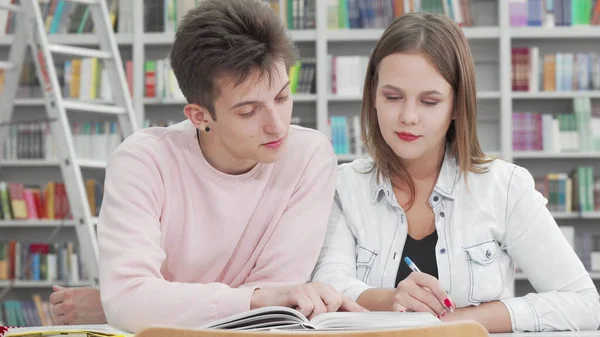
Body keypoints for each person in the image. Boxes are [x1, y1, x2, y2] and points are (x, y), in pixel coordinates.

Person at [49, 0, 365, 332]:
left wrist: (140, 304)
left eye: (282, 98)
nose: (277, 126)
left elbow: (277, 311)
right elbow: (131, 302)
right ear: (200, 117)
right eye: (248, 111)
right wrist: (255, 299)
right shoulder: (143, 161)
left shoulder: (309, 155)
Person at [310, 11, 600, 333]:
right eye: (392, 97)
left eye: (429, 102)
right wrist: (392, 298)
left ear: (456, 106)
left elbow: (585, 303)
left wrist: (460, 321)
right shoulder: (343, 186)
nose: (408, 116)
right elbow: (330, 284)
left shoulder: (503, 188)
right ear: (374, 97)